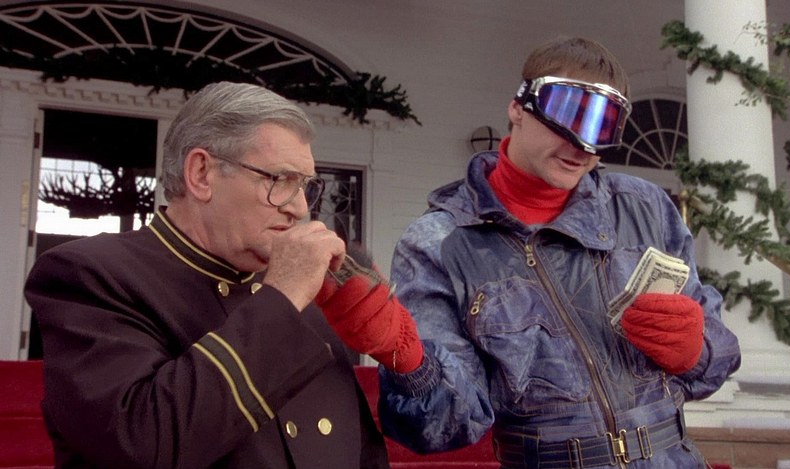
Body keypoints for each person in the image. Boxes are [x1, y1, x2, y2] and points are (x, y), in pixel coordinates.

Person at [369, 36, 742, 468]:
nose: (582, 147)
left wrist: (697, 351)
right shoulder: (440, 243)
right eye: (568, 116)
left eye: (602, 127)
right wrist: (411, 364)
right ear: (518, 108)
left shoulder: (645, 208)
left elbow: (717, 362)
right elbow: (444, 427)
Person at [24, 81, 390, 469]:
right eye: (279, 180)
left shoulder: (304, 290)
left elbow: (363, 452)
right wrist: (282, 298)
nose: (299, 208)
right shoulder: (91, 274)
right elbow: (142, 443)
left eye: (305, 186)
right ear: (201, 174)